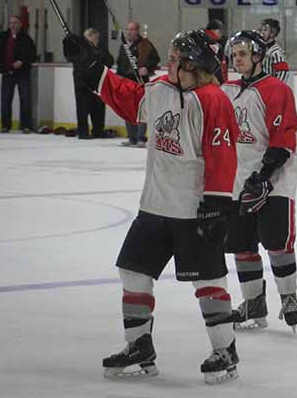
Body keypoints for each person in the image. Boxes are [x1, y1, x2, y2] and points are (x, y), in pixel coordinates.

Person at [64, 29, 241, 384]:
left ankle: (225, 350)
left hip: (193, 209)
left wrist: (217, 204)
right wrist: (89, 64)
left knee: (209, 281)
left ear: (193, 64)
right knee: (133, 274)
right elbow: (128, 98)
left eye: (176, 58)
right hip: (155, 207)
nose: (169, 62)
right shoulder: (160, 90)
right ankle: (139, 345)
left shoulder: (213, 100)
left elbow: (222, 156)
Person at [221, 30, 297, 333]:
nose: (237, 59)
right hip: (238, 180)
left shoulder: (276, 90)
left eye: (243, 54)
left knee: (277, 243)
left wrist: (265, 177)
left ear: (257, 56)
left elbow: (283, 140)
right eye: (234, 55)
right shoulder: (227, 90)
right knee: (242, 246)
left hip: (276, 179)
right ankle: (254, 302)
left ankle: (289, 297)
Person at [116, 21, 161, 147]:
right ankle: (131, 137)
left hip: (140, 81)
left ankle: (141, 137)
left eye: (132, 29)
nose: (129, 32)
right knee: (128, 108)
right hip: (126, 81)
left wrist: (147, 67)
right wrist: (119, 76)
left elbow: (155, 59)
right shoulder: (124, 45)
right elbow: (120, 62)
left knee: (141, 109)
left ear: (137, 30)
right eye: (128, 29)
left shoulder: (145, 44)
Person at [0, 15, 37, 133]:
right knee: (5, 100)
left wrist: (22, 61)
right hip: (7, 73)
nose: (13, 25)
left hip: (23, 74)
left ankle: (26, 125)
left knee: (25, 100)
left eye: (16, 22)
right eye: (11, 22)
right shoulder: (1, 37)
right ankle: (5, 125)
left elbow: (32, 55)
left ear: (20, 24)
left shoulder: (27, 39)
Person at [73, 28, 114, 139]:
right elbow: (81, 65)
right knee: (82, 108)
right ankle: (83, 132)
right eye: (96, 38)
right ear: (89, 37)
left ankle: (98, 130)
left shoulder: (100, 49)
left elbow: (110, 60)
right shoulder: (79, 48)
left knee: (98, 107)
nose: (97, 40)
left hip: (97, 83)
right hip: (83, 84)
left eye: (97, 38)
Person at [205, 19, 228, 83]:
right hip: (214, 82)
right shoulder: (214, 45)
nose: (221, 33)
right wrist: (224, 82)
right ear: (212, 30)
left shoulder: (205, 42)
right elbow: (220, 68)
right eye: (220, 31)